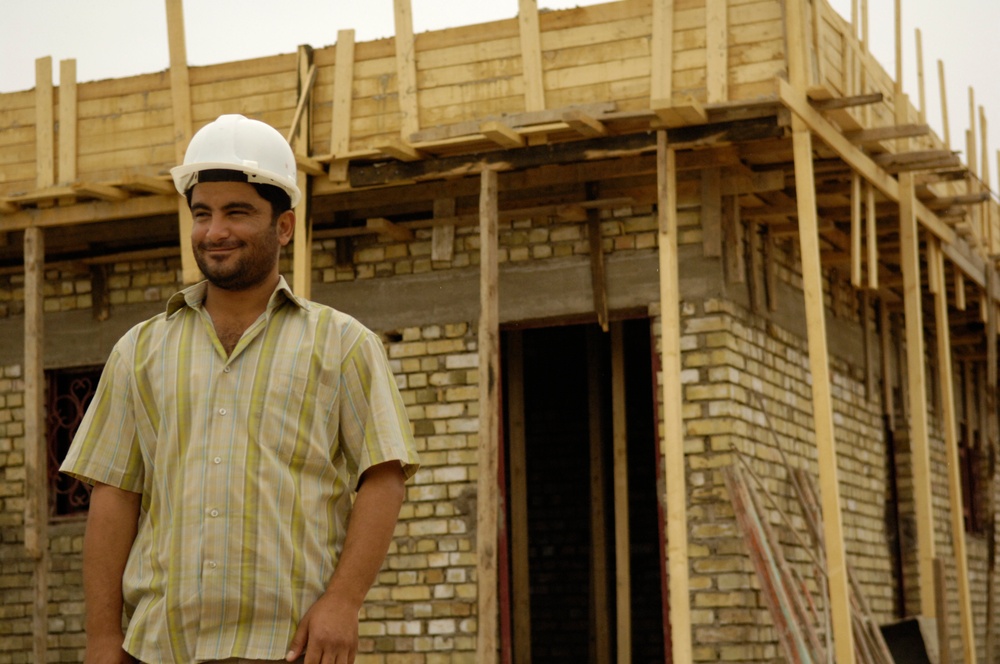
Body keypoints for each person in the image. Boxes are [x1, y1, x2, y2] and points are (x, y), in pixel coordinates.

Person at [60, 114, 420, 664]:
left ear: (284, 227)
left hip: (291, 646)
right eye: (202, 213)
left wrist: (344, 601)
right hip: (163, 647)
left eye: (237, 212)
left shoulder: (343, 344)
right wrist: (102, 637)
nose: (215, 231)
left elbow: (384, 478)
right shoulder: (140, 350)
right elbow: (114, 495)